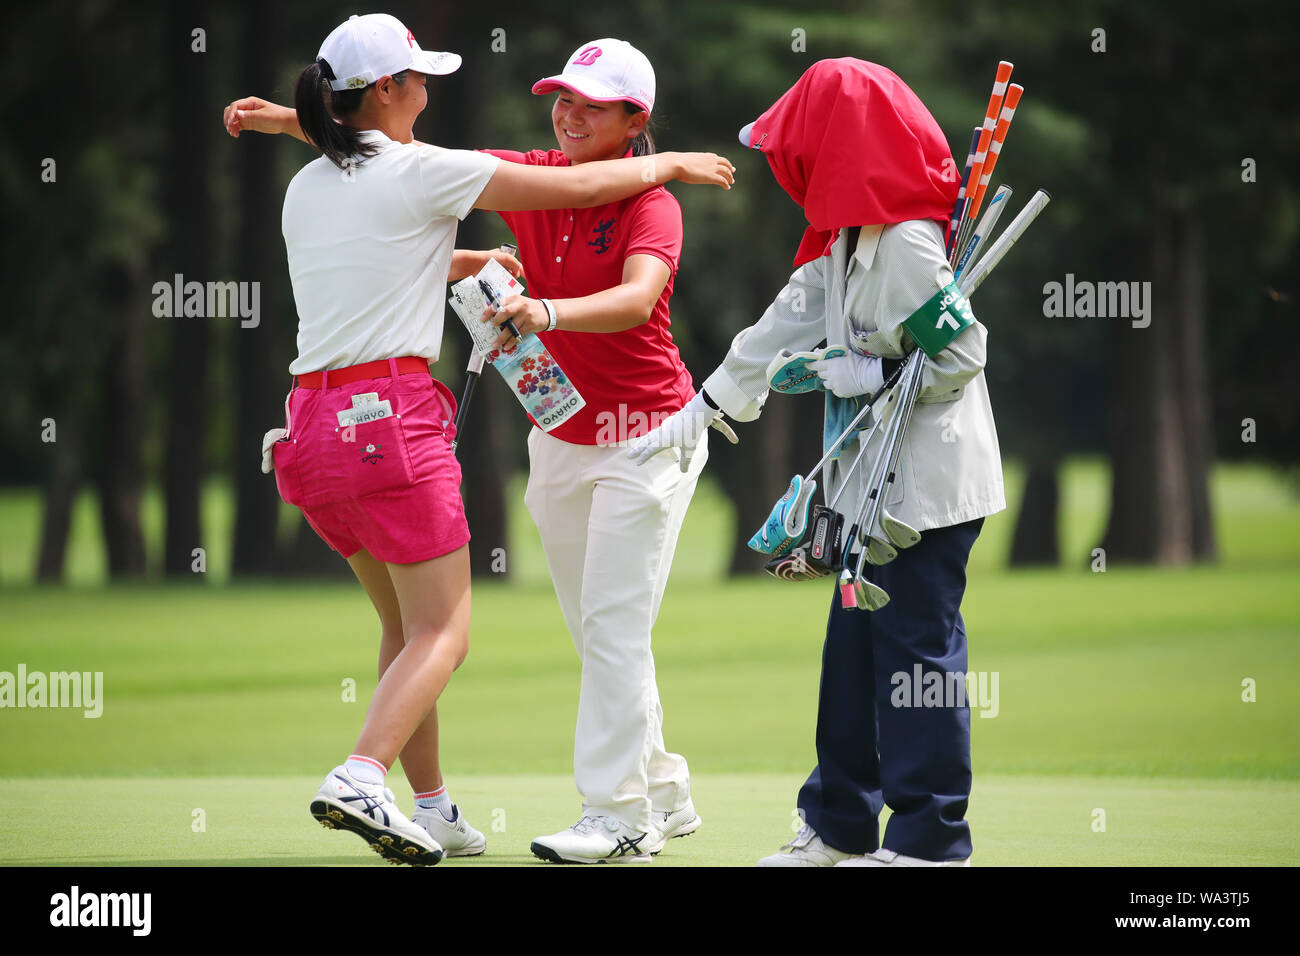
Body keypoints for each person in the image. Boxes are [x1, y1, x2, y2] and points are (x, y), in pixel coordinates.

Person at [223, 13, 734, 867]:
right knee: (458, 635)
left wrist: (291, 121)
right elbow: (565, 190)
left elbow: (633, 295)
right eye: (561, 99)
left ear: (632, 117)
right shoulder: (432, 173)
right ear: (387, 91)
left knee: (466, 632)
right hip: (419, 430)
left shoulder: (310, 184)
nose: (568, 114)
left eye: (591, 104)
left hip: (318, 436)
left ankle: (572, 810)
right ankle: (363, 777)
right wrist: (675, 160)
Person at [631, 58, 1005, 866]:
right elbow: (782, 324)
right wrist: (705, 407)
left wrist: (872, 370)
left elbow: (964, 350)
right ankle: (838, 825)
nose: (787, 165)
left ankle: (930, 840)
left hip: (926, 494)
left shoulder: (905, 240)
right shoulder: (846, 236)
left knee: (915, 659)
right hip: (869, 491)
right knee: (853, 663)